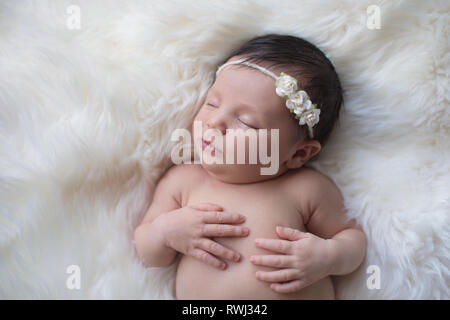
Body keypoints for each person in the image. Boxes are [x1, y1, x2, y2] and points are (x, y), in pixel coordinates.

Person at [134, 34, 366, 299]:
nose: (215, 122)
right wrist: (166, 232)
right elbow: (148, 252)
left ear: (299, 153)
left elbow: (352, 239)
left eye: (246, 122)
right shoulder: (183, 181)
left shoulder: (305, 188)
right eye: (212, 103)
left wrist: (329, 256)